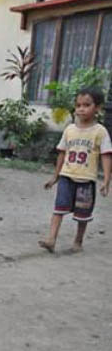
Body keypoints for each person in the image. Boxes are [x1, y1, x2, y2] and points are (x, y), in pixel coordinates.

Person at [39, 87, 111, 253]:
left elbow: (106, 156)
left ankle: (78, 241)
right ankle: (51, 239)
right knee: (58, 209)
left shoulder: (100, 132)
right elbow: (62, 154)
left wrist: (107, 180)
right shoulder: (70, 130)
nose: (81, 108)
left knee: (82, 214)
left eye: (86, 105)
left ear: (98, 108)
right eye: (78, 105)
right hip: (66, 176)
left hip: (86, 180)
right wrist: (55, 177)